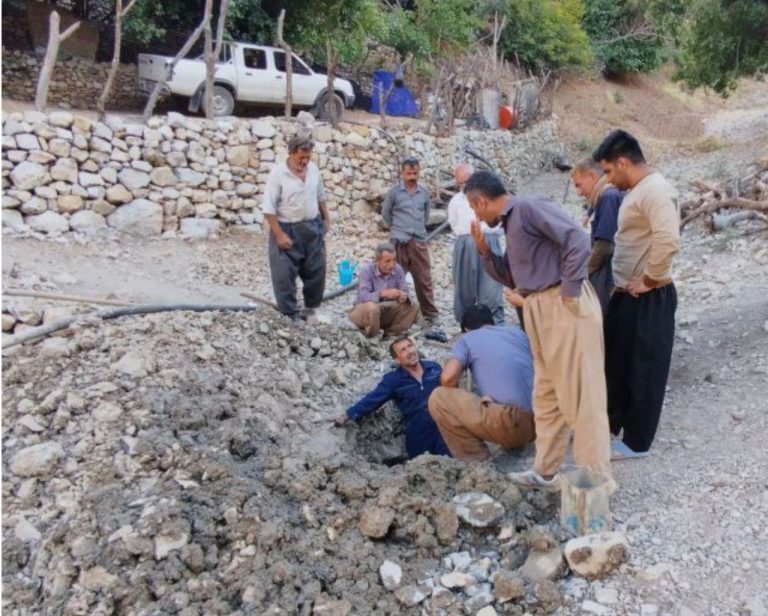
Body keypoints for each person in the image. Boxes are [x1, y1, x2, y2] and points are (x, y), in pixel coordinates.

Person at [465, 169, 611, 489]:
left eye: (473, 208)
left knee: (581, 396)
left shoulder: (527, 207)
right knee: (546, 395)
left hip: (561, 304)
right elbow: (512, 277)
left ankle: (595, 482)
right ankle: (545, 471)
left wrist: (569, 292)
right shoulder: (511, 223)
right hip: (538, 309)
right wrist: (484, 250)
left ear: (481, 201)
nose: (476, 216)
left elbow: (576, 239)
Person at [592, 129, 680, 459]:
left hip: (649, 297)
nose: (607, 179)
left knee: (644, 368)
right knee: (619, 362)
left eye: (609, 171)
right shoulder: (639, 190)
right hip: (628, 294)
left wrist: (651, 279)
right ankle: (614, 426)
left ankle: (636, 443)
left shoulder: (655, 191)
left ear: (623, 162)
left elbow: (668, 240)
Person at [428, 305, 535, 461]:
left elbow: (447, 379)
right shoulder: (517, 333)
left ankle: (477, 461)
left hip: (513, 424)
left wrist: (459, 397)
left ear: (466, 328)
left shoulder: (467, 339)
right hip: (542, 421)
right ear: (491, 321)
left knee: (438, 397)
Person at [336, 337, 450, 459]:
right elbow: (373, 399)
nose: (410, 351)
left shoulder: (434, 368)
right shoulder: (393, 380)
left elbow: (450, 391)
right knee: (422, 466)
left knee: (452, 463)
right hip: (418, 433)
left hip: (443, 428)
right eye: (403, 350)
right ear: (397, 360)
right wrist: (349, 414)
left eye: (410, 346)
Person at [262, 135, 330, 322]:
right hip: (286, 228)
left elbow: (321, 196)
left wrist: (326, 220)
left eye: (308, 157)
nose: (305, 161)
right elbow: (268, 209)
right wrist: (279, 235)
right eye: (301, 157)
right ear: (291, 153)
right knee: (284, 274)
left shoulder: (313, 170)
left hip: (312, 226)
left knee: (316, 270)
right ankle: (290, 314)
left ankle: (310, 309)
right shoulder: (278, 174)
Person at [381, 157, 439, 324]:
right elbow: (386, 214)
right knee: (393, 278)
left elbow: (426, 215)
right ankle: (392, 315)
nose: (412, 177)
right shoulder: (394, 193)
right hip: (398, 243)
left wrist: (416, 229)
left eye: (415, 173)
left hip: (419, 242)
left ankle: (430, 314)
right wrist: (397, 230)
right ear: (403, 173)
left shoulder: (424, 194)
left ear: (419, 172)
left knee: (424, 279)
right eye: (409, 174)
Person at [447, 163, 505, 325]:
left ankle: (495, 326)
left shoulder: (488, 196)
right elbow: (453, 222)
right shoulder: (456, 200)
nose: (463, 186)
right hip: (465, 244)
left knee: (491, 287)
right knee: (464, 288)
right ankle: (466, 326)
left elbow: (500, 221)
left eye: (465, 182)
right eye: (459, 183)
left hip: (488, 240)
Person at [571, 158, 624, 316]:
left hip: (608, 269)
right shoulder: (601, 196)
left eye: (579, 185)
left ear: (592, 176)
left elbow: (604, 245)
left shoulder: (608, 196)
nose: (579, 192)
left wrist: (586, 271)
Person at [348, 243, 420, 338]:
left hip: (386, 311)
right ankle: (372, 337)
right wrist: (382, 294)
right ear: (377, 261)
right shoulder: (367, 270)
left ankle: (391, 335)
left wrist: (404, 296)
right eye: (387, 261)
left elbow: (406, 291)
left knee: (413, 305)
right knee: (372, 308)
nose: (391, 264)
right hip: (365, 313)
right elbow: (362, 297)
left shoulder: (398, 269)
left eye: (394, 260)